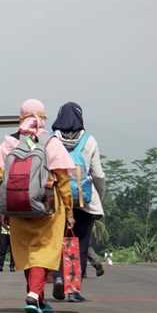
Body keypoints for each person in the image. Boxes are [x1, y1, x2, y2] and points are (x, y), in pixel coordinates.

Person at [0, 99, 74, 313]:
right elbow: (63, 180)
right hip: (47, 207)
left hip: (17, 207)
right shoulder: (51, 142)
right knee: (43, 251)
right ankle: (34, 294)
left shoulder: (10, 142)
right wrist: (69, 210)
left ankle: (37, 298)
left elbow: (0, 178)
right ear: (43, 117)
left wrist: (4, 209)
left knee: (27, 252)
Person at [50, 102, 107, 301]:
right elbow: (98, 174)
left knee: (59, 241)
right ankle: (73, 289)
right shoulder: (89, 141)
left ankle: (58, 278)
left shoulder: (52, 141)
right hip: (84, 201)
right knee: (81, 244)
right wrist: (100, 195)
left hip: (60, 201)